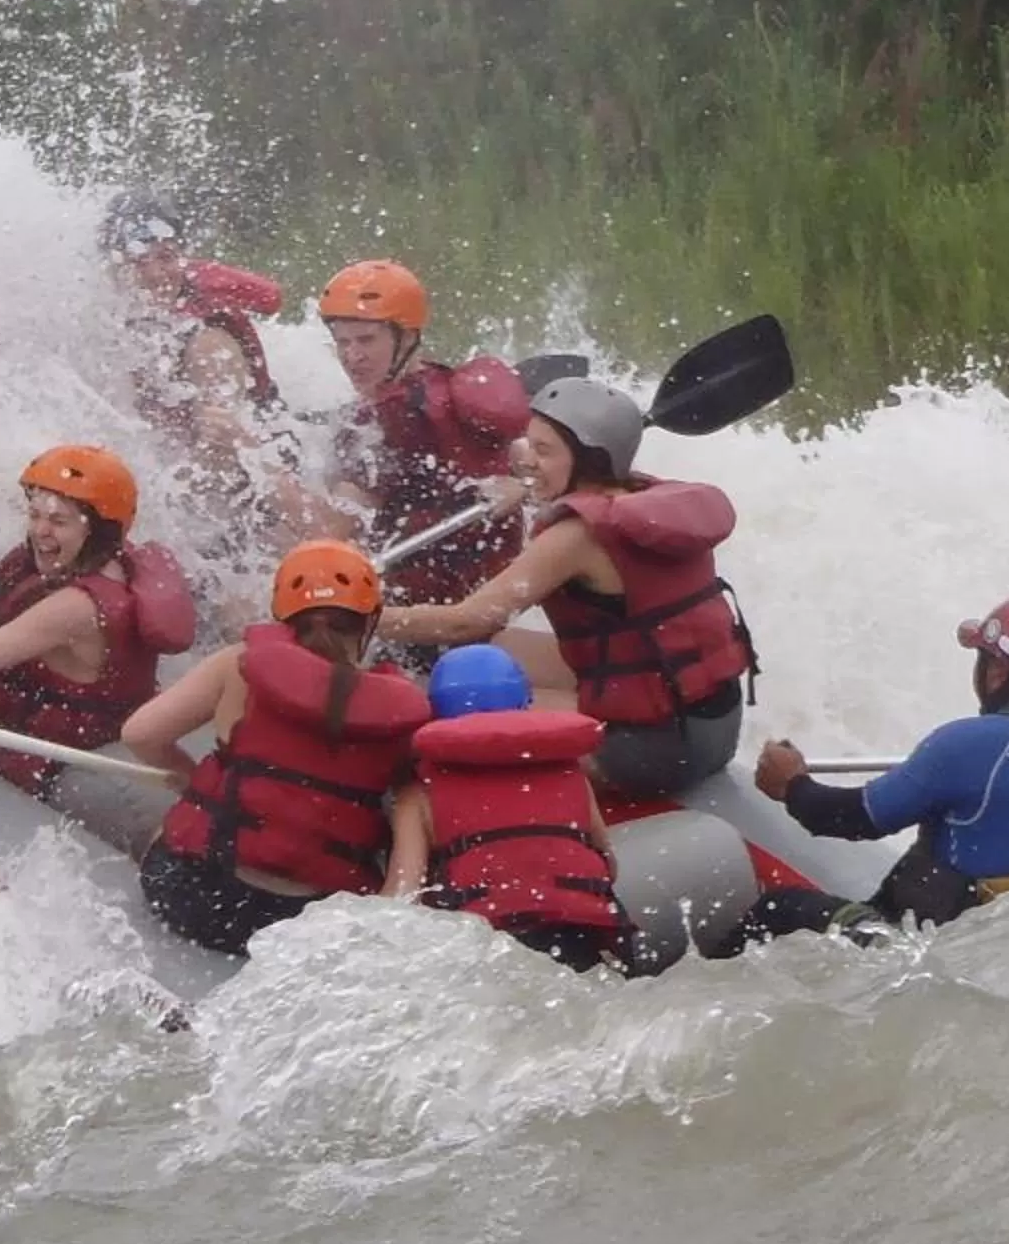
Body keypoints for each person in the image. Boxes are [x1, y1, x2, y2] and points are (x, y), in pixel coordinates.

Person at [379, 375, 754, 797]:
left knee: (453, 709)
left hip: (654, 750)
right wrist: (528, 478)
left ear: (589, 459)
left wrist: (363, 615)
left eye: (543, 450)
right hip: (709, 723)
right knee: (492, 649)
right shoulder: (638, 494)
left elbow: (465, 622)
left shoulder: (577, 536)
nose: (528, 460)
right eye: (528, 445)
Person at [746, 594, 1009, 933]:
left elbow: (851, 819)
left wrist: (791, 784)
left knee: (781, 908)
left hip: (929, 947)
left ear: (997, 673)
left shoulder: (967, 745)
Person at [123, 540, 431, 956]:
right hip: (301, 930)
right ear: (371, 621)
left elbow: (141, 735)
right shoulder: (404, 711)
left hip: (192, 898)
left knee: (177, 822)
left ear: (281, 616)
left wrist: (192, 781)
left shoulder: (239, 664)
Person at [0, 444, 195, 805]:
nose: (40, 531)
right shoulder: (97, 563)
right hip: (43, 718)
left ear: (99, 531)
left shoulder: (75, 608)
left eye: (58, 521)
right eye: (34, 515)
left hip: (58, 757)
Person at [386, 644, 647, 975]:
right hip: (582, 938)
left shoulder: (419, 794)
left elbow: (400, 897)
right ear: (524, 704)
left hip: (491, 948)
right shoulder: (569, 773)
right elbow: (608, 861)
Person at [294, 259, 531, 619]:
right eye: (342, 342)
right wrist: (523, 485)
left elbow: (331, 534)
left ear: (406, 337)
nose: (352, 356)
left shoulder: (388, 420)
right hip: (487, 596)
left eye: (366, 340)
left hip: (419, 621)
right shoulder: (448, 389)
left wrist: (253, 460)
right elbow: (531, 464)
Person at [103, 190, 284, 489]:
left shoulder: (201, 300)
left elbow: (271, 298)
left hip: (259, 449)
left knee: (207, 345)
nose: (155, 273)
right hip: (172, 445)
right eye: (139, 262)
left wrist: (204, 278)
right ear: (115, 267)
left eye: (166, 257)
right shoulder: (102, 310)